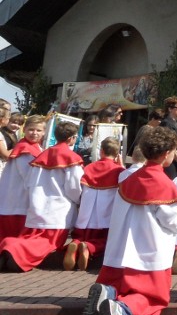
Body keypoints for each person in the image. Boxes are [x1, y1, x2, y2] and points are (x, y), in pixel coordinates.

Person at [83, 127, 177, 315]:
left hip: (120, 252)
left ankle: (109, 292)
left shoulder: (129, 179)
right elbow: (171, 220)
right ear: (166, 154)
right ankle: (121, 309)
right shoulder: (162, 182)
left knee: (122, 285)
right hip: (148, 253)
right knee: (152, 297)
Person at [0, 122, 84, 272]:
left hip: (37, 206)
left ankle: (10, 250)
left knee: (34, 238)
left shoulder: (41, 155)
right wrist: (79, 200)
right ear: (72, 138)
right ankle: (13, 248)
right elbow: (73, 187)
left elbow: (29, 182)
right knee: (48, 243)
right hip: (59, 209)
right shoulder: (72, 158)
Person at [66, 137, 124, 271]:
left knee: (80, 236)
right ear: (117, 154)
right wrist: (121, 165)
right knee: (108, 241)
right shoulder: (118, 170)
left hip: (86, 215)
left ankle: (75, 243)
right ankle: (89, 248)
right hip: (105, 216)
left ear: (101, 151)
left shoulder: (90, 167)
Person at [0, 115, 45, 241]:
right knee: (12, 240)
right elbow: (30, 177)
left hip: (18, 203)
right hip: (18, 203)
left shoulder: (33, 147)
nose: (34, 133)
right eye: (31, 129)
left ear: (44, 132)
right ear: (24, 129)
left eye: (38, 130)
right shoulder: (25, 149)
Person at [159, 96, 177, 179]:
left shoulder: (174, 123)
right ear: (170, 109)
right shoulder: (167, 123)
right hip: (170, 162)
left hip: (175, 162)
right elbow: (171, 145)